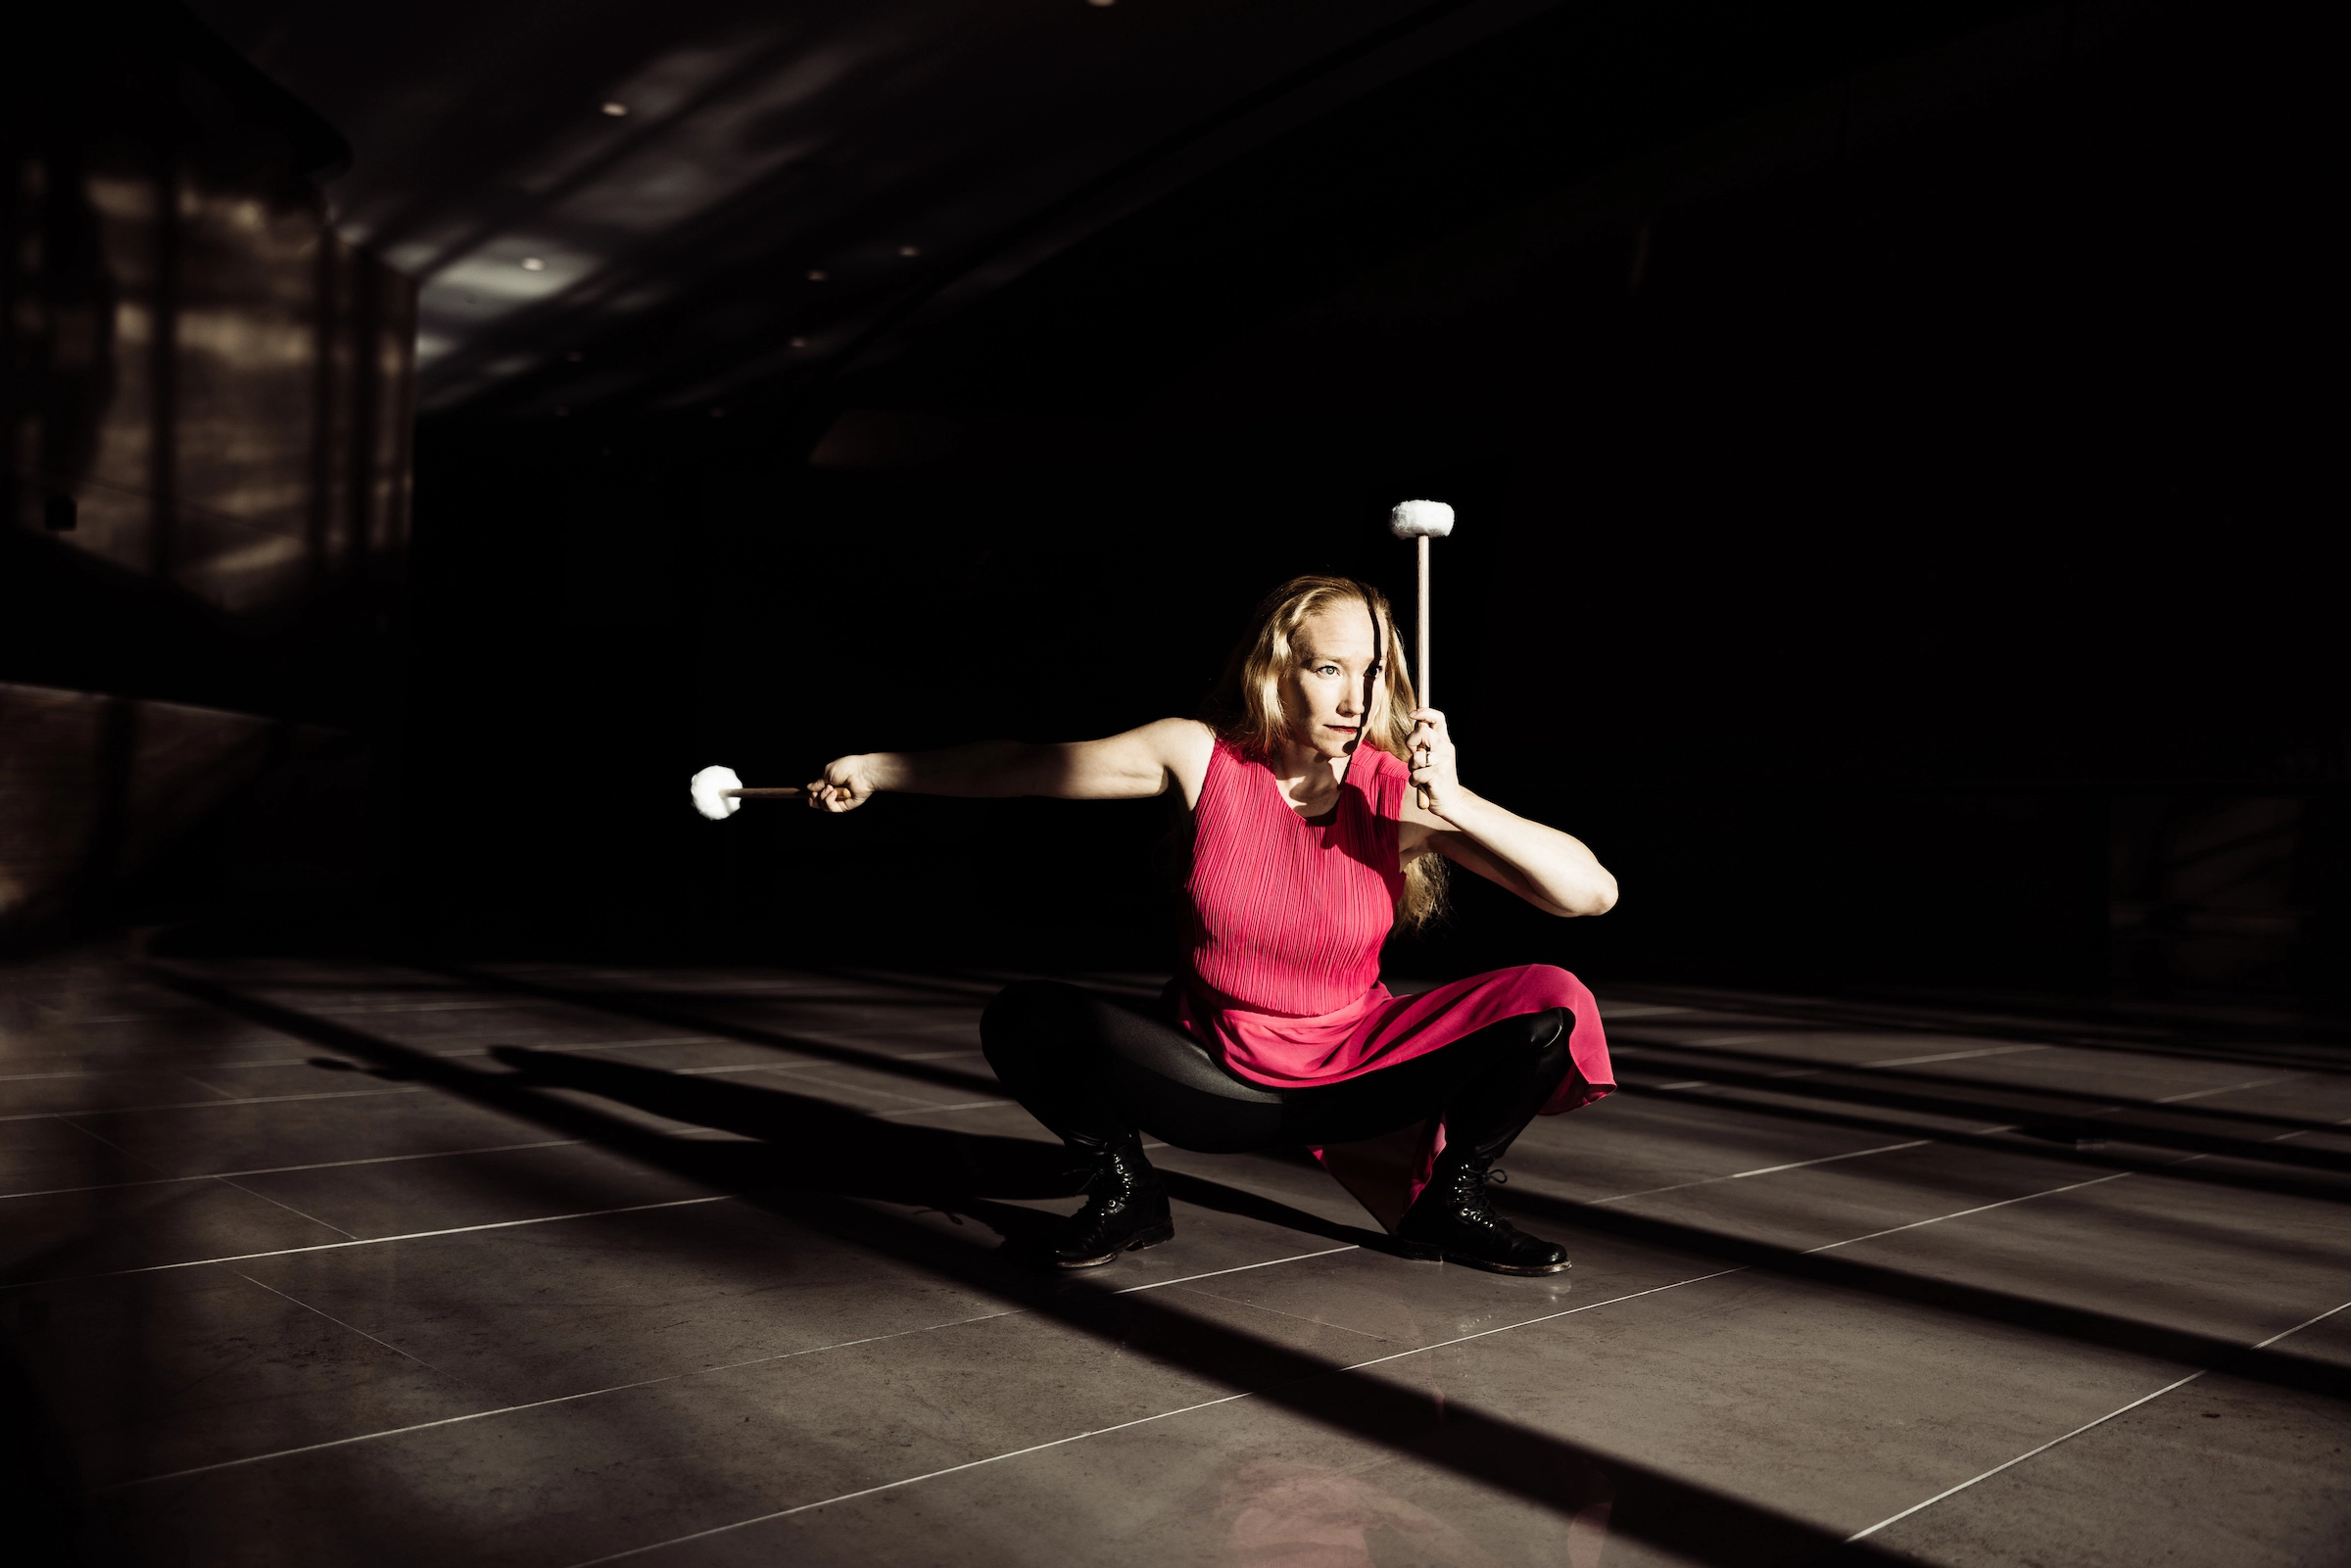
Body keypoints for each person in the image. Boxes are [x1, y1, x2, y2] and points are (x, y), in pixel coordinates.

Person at [804, 575, 1617, 1274]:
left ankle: (1453, 1201)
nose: (1353, 696)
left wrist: (1458, 804)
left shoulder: (1396, 790)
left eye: (1370, 672)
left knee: (1551, 996)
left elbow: (1589, 894)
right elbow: (1028, 763)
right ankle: (1127, 1189)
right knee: (1027, 1017)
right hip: (1214, 1076)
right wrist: (882, 769)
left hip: (1356, 1074)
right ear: (1277, 669)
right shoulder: (1198, 755)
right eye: (1328, 667)